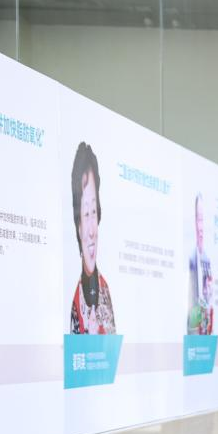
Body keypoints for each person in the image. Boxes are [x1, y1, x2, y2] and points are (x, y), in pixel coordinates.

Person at [68, 141, 117, 335]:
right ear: (77, 225)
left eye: (94, 212)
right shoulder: (75, 303)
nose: (91, 232)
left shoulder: (105, 289)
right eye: (85, 214)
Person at [187, 195, 214, 335]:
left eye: (203, 220)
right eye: (199, 220)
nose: (201, 227)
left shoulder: (207, 260)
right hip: (195, 335)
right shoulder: (192, 261)